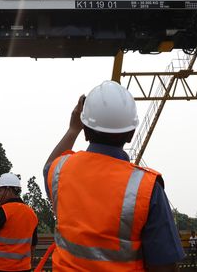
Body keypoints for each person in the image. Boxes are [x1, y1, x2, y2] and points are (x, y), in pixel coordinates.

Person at [43, 80, 184, 271]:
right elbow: (164, 265)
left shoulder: (60, 171)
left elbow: (48, 167)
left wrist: (72, 129)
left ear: (85, 131)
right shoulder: (146, 187)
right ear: (131, 134)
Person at [0, 173, 39, 272]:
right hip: (24, 269)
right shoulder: (32, 214)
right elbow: (33, 245)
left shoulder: (2, 211)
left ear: (9, 190)